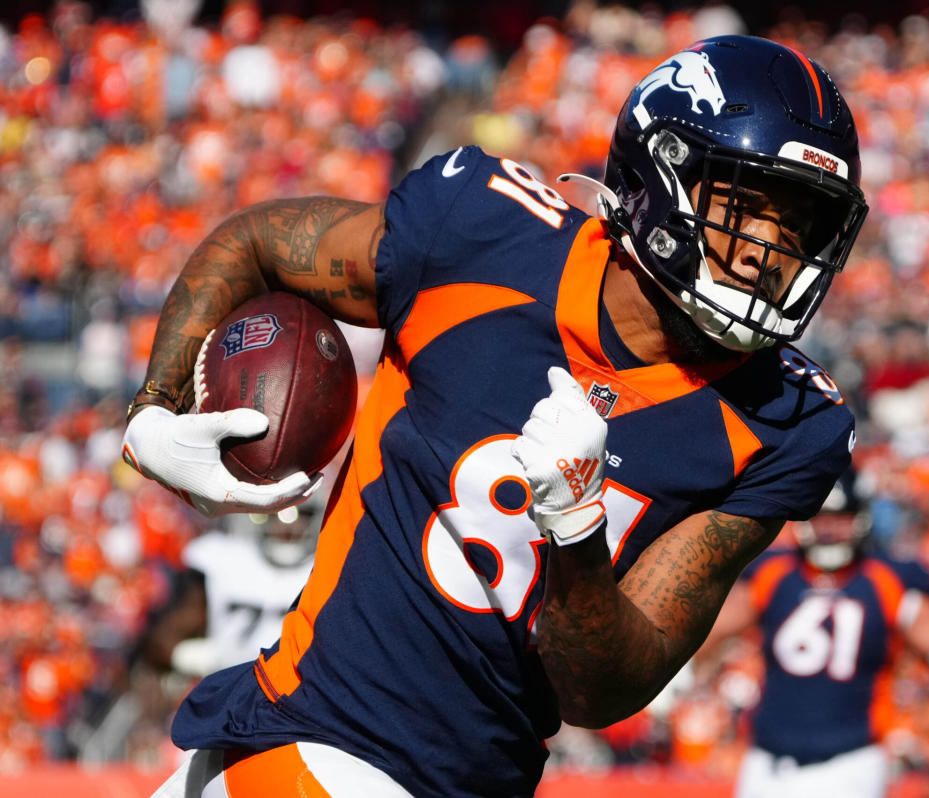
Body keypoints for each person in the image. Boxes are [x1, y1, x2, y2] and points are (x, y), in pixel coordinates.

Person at [121, 35, 869, 797]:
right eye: (746, 210)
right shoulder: (480, 232)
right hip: (305, 728)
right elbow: (255, 242)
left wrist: (576, 527)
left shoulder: (787, 424)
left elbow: (601, 694)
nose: (768, 254)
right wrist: (155, 410)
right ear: (659, 177)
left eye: (799, 227)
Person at [694, 468, 929, 798]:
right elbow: (711, 630)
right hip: (767, 761)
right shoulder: (774, 574)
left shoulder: (884, 579)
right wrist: (680, 669)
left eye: (840, 518)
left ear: (859, 519)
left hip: (848, 762)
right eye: (820, 517)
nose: (828, 529)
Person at [142, 500, 323, 678]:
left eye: (302, 516)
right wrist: (188, 656)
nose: (288, 528)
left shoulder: (327, 568)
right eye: (278, 516)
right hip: (230, 690)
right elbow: (161, 642)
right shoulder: (224, 559)